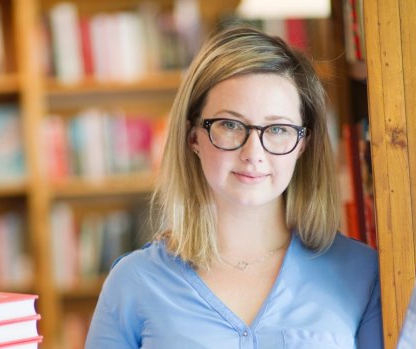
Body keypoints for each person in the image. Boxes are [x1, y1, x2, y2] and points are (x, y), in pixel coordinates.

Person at [85, 24, 383, 349]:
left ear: (304, 144)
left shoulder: (362, 273)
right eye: (230, 125)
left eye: (278, 129)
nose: (253, 153)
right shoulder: (134, 282)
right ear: (193, 136)